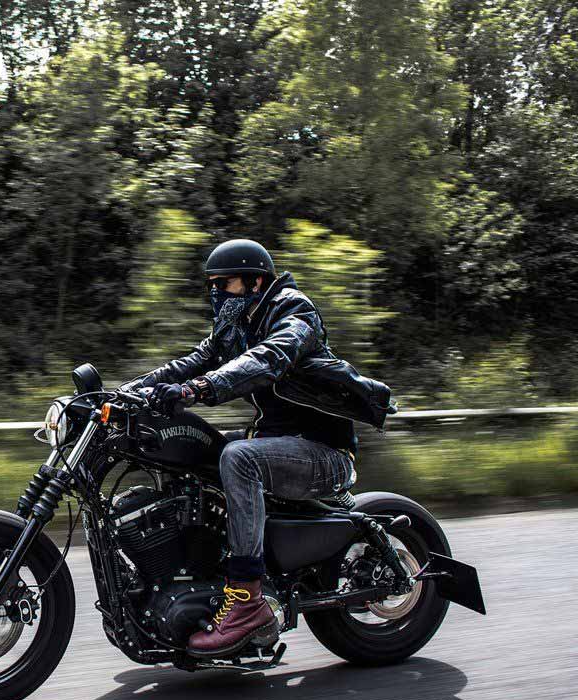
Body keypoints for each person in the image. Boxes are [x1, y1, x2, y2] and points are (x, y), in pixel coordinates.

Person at [126, 239, 396, 658]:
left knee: (238, 457)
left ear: (256, 281)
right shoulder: (233, 327)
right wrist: (126, 392)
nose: (217, 293)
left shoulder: (293, 310)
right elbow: (190, 362)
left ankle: (247, 598)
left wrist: (201, 388)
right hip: (278, 446)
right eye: (212, 285)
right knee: (194, 453)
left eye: (226, 283)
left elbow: (269, 358)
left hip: (323, 452)